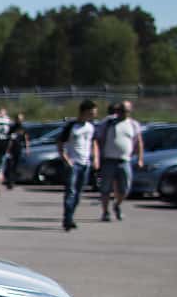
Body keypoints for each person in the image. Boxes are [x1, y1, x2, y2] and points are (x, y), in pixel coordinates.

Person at [95, 99, 144, 222]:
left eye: (125, 111)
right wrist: (96, 157)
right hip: (108, 160)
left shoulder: (133, 124)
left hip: (124, 160)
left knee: (125, 189)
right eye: (120, 110)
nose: (122, 113)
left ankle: (117, 205)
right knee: (105, 188)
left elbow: (139, 142)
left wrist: (140, 158)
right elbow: (97, 139)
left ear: (130, 111)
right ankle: (105, 212)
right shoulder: (108, 122)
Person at [59, 99, 98, 231]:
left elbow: (93, 143)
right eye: (92, 112)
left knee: (79, 193)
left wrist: (95, 158)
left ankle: (71, 216)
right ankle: (67, 219)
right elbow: (60, 143)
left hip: (85, 163)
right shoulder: (71, 126)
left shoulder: (91, 127)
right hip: (73, 163)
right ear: (85, 112)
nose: (94, 115)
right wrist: (66, 159)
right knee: (71, 191)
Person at [4, 112, 28, 188]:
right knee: (10, 165)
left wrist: (27, 148)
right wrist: (7, 149)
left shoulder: (23, 128)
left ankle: (12, 181)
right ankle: (9, 181)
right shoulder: (12, 128)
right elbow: (8, 138)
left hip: (19, 148)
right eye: (18, 119)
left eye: (21, 119)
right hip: (11, 149)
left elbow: (26, 138)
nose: (19, 120)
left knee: (15, 166)